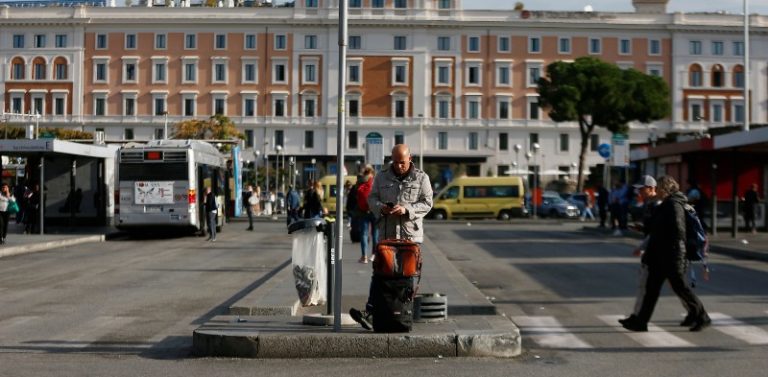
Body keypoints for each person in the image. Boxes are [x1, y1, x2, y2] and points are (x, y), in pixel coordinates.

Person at [349, 144, 434, 330]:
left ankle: (403, 314)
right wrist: (382, 208)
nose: (399, 166)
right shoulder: (381, 176)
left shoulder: (421, 177)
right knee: (380, 274)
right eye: (395, 162)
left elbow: (428, 203)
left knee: (407, 276)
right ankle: (371, 312)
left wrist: (406, 209)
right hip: (387, 234)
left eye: (402, 162)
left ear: (409, 158)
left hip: (409, 236)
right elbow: (371, 199)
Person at [621, 176, 710, 332]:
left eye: (659, 187)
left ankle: (702, 316)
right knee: (651, 289)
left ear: (665, 189)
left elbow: (678, 231)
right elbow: (658, 228)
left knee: (681, 288)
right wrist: (644, 229)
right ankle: (641, 322)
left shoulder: (674, 205)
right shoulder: (666, 205)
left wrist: (663, 242)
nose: (657, 191)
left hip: (672, 255)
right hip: (660, 256)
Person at [619, 175, 661, 327]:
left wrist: (641, 247)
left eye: (642, 189)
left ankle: (698, 313)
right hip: (654, 251)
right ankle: (638, 317)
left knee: (679, 288)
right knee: (646, 287)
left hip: (658, 252)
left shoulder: (658, 205)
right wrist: (641, 227)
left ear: (651, 188)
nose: (639, 193)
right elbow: (651, 228)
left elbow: (656, 232)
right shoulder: (649, 204)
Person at [355, 166, 379, 263]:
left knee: (364, 234)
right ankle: (374, 255)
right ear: (373, 173)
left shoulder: (360, 181)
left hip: (363, 211)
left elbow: (355, 194)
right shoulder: (376, 182)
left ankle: (364, 256)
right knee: (375, 234)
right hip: (375, 211)